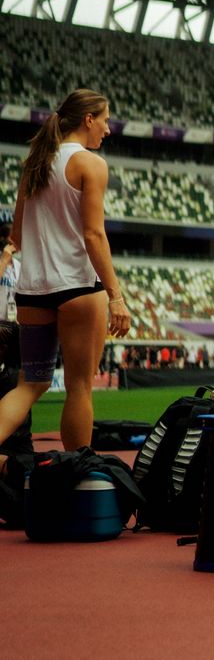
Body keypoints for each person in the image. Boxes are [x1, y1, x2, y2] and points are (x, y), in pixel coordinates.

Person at [0, 89, 130, 467]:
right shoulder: (91, 164)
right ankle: (75, 477)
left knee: (31, 384)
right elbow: (93, 235)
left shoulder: (35, 164)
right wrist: (116, 295)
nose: (107, 128)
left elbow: (17, 236)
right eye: (105, 120)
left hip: (33, 293)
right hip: (77, 288)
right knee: (79, 388)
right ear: (88, 119)